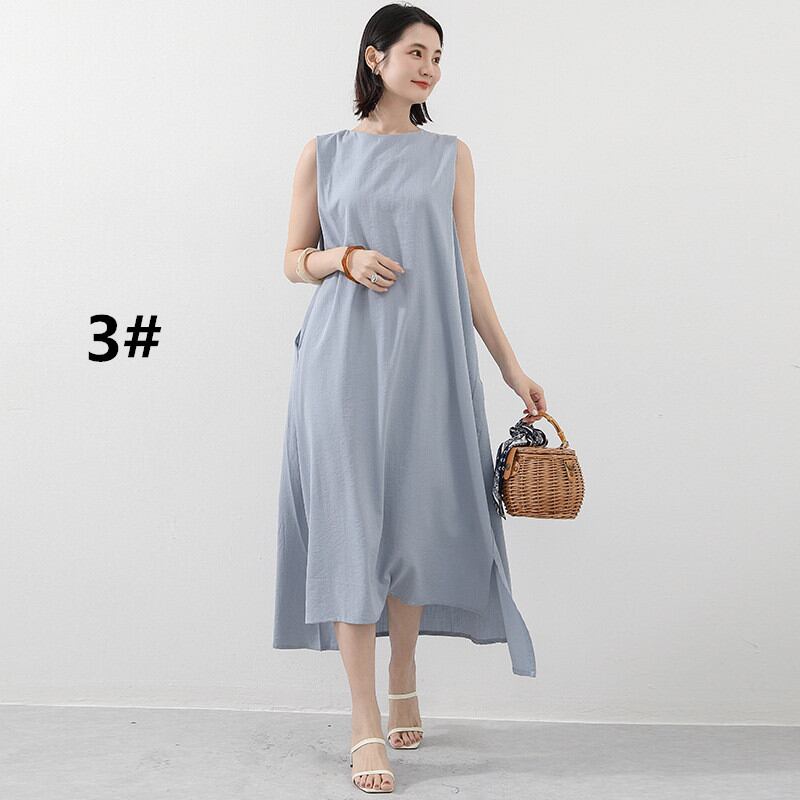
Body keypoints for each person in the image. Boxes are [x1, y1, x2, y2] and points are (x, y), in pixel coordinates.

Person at [272, 3, 548, 793]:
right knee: (350, 531)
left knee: (415, 525)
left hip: (429, 362)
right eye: (416, 52)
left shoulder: (450, 157)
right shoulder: (323, 153)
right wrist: (343, 257)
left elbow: (469, 271)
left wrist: (512, 368)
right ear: (375, 57)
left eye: (438, 56)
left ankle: (404, 673)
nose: (429, 67)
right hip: (341, 365)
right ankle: (364, 722)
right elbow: (291, 259)